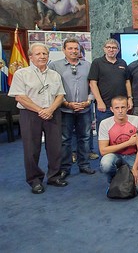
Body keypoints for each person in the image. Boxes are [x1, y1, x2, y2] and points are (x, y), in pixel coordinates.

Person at [9, 43, 67, 194]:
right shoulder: (21, 74)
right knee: (31, 149)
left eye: (44, 54)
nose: (42, 56)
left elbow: (60, 95)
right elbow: (20, 97)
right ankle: (34, 180)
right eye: (38, 54)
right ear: (30, 57)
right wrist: (41, 110)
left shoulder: (54, 74)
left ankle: (54, 176)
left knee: (55, 148)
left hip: (53, 112)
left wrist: (50, 110)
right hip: (30, 114)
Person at [48, 37, 95, 179]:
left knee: (85, 137)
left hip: (84, 108)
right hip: (64, 109)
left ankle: (84, 165)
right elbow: (51, 88)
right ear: (64, 50)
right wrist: (66, 103)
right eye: (70, 48)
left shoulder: (88, 65)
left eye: (76, 48)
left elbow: (94, 86)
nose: (74, 51)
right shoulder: (54, 66)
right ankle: (65, 168)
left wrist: (88, 101)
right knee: (65, 139)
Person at [98, 96, 138, 193]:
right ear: (111, 109)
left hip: (133, 156)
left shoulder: (137, 120)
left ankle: (127, 173)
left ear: (128, 107)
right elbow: (103, 150)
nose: (120, 111)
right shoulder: (105, 123)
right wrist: (128, 143)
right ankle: (113, 181)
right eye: (117, 108)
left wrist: (135, 168)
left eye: (123, 107)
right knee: (105, 164)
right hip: (116, 156)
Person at [89, 38, 132, 133]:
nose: (111, 49)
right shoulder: (97, 63)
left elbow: (127, 82)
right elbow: (93, 83)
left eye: (114, 48)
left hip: (121, 106)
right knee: (105, 132)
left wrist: (129, 98)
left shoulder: (122, 62)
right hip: (105, 106)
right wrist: (99, 101)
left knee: (122, 131)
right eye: (108, 47)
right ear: (104, 49)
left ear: (118, 50)